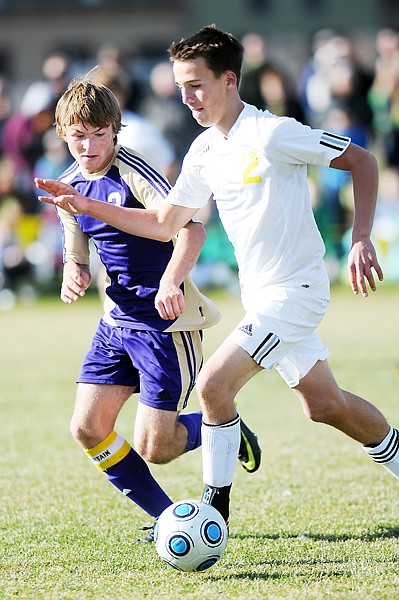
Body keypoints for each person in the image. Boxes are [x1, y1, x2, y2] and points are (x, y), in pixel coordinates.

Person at [36, 25, 399, 529]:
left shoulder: (273, 132)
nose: (186, 97)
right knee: (325, 405)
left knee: (212, 386)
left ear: (230, 80)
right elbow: (166, 223)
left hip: (296, 293)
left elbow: (361, 160)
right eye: (181, 86)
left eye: (197, 85)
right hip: (261, 298)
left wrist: (360, 237)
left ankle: (213, 513)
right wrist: (82, 206)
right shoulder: (204, 151)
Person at [34, 72, 261, 539]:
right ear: (63, 136)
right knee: (87, 427)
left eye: (100, 134)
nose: (89, 145)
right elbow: (76, 247)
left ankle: (223, 428)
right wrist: (72, 272)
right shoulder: (67, 187)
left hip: (165, 325)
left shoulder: (132, 171)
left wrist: (171, 280)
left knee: (157, 446)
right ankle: (166, 518)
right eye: (79, 136)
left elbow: (190, 228)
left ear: (116, 130)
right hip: (115, 323)